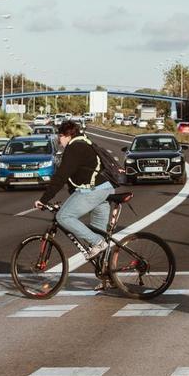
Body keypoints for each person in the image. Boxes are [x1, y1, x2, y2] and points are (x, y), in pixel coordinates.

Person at [34, 120, 115, 288]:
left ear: (66, 135)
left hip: (94, 191)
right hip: (104, 189)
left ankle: (98, 243)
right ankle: (108, 279)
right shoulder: (85, 142)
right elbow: (77, 176)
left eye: (59, 138)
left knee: (64, 216)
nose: (59, 142)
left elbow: (61, 177)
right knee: (97, 234)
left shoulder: (74, 147)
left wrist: (43, 200)